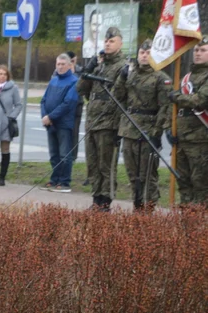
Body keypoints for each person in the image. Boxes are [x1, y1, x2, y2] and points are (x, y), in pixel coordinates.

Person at [114, 40, 170, 210]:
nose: (144, 56)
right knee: (133, 175)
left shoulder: (161, 77)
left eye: (148, 53)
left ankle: (149, 209)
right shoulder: (131, 76)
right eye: (141, 53)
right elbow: (118, 96)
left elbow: (164, 108)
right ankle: (137, 207)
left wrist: (156, 132)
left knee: (147, 175)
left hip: (147, 131)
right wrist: (122, 78)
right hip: (129, 129)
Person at [77, 26, 126, 211]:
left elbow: (120, 98)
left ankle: (105, 201)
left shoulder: (122, 67)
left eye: (112, 41)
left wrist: (117, 126)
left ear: (120, 44)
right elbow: (80, 90)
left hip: (109, 124)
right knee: (93, 164)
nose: (107, 43)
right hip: (92, 122)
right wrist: (88, 70)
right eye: (106, 41)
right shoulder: (100, 65)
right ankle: (96, 198)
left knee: (107, 166)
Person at [167, 36, 208, 207]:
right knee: (183, 183)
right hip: (182, 140)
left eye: (203, 50)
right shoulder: (186, 77)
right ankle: (186, 226)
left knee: (200, 185)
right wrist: (171, 129)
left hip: (200, 140)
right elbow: (177, 109)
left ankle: (199, 227)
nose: (198, 53)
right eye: (196, 50)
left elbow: (199, 100)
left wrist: (177, 97)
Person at [40, 54, 80, 192]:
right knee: (54, 154)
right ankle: (54, 179)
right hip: (50, 124)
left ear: (69, 65)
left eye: (63, 64)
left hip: (63, 123)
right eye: (58, 64)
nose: (60, 66)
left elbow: (68, 103)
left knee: (64, 154)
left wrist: (51, 116)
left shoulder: (74, 81)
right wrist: (44, 116)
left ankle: (64, 182)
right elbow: (44, 100)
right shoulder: (53, 80)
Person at [67, 51, 86, 168]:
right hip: (64, 107)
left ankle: (73, 157)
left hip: (76, 106)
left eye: (74, 61)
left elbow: (81, 86)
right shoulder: (60, 70)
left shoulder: (79, 71)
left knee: (74, 133)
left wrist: (74, 71)